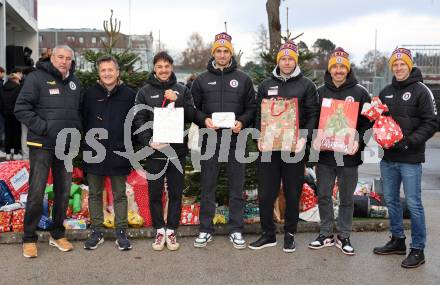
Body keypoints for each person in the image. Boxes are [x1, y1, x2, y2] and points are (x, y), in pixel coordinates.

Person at [249, 40, 319, 252]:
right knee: (267, 192)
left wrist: (303, 138)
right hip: (269, 148)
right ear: (278, 60)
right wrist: (259, 137)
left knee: (292, 191)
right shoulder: (265, 85)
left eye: (290, 58)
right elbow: (258, 114)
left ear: (295, 60)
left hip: (293, 149)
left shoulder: (306, 85)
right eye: (283, 58)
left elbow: (312, 114)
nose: (287, 62)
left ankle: (289, 234)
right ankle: (268, 234)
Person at [15, 45, 83, 258]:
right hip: (42, 146)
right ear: (52, 57)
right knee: (36, 193)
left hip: (66, 146)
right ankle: (29, 238)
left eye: (68, 58)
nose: (64, 61)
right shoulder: (36, 78)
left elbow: (79, 112)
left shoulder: (75, 82)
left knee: (63, 192)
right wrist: (44, 128)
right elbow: (21, 108)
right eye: (60, 57)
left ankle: (57, 234)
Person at [373, 47, 438, 268]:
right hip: (388, 158)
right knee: (390, 200)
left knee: (413, 203)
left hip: (410, 158)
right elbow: (381, 120)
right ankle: (397, 240)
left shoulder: (421, 91)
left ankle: (418, 249)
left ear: (409, 65)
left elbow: (431, 122)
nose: (399, 67)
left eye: (403, 64)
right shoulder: (386, 91)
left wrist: (409, 141)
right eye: (395, 64)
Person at [191, 32, 256, 249]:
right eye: (218, 51)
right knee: (208, 186)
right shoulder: (201, 80)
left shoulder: (244, 79)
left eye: (225, 51)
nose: (221, 55)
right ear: (213, 53)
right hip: (210, 139)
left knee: (236, 187)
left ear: (231, 52)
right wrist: (204, 120)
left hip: (235, 139)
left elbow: (251, 109)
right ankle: (205, 229)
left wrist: (243, 122)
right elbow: (193, 109)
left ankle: (236, 230)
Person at [307, 48, 372, 255]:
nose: (338, 70)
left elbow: (368, 124)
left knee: (346, 198)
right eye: (334, 66)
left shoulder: (361, 93)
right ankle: (325, 233)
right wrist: (313, 138)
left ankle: (344, 235)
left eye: (342, 66)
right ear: (330, 69)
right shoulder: (319, 92)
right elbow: (312, 120)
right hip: (325, 155)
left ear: (348, 68)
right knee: (324, 194)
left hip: (349, 156)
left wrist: (359, 142)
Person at [133, 51, 195, 251]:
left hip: (177, 151)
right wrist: (148, 141)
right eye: (159, 66)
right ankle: (160, 229)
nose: (163, 70)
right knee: (155, 193)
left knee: (176, 192)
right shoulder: (144, 91)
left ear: (172, 68)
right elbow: (138, 118)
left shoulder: (182, 89)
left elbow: (192, 114)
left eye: (167, 66)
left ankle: (172, 231)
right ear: (154, 68)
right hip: (155, 152)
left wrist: (177, 100)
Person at [82, 55, 135, 251]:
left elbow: (134, 123)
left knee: (120, 194)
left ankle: (121, 231)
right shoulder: (89, 94)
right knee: (95, 193)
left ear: (117, 72)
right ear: (99, 73)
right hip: (94, 151)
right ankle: (97, 230)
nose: (107, 73)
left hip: (119, 151)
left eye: (110, 70)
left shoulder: (129, 94)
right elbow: (83, 120)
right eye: (103, 70)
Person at [2, 69, 24, 160]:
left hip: (6, 113)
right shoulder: (18, 88)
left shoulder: (3, 87)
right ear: (15, 79)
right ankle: (15, 153)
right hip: (16, 113)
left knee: (7, 132)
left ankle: (7, 153)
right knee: (17, 132)